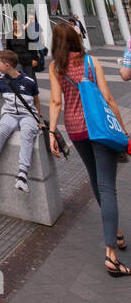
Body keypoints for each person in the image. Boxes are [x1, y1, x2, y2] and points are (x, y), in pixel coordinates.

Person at [48, 19, 129, 276]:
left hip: (76, 130)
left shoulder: (55, 67)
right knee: (107, 186)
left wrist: (52, 132)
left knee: (95, 180)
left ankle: (115, 232)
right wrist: (122, 128)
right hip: (99, 128)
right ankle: (111, 255)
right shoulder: (90, 62)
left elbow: (55, 102)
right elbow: (107, 98)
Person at [0, 49, 42, 192]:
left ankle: (22, 174)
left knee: (27, 132)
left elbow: (36, 102)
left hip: (27, 116)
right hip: (10, 114)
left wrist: (38, 120)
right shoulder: (1, 81)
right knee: (1, 131)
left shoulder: (29, 82)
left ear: (7, 65)